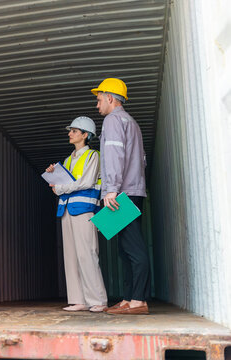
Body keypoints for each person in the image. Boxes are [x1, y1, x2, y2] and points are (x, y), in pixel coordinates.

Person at [91, 78, 150, 315]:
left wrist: (112, 189)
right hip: (132, 190)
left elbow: (114, 155)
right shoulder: (131, 122)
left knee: (133, 248)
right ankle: (128, 298)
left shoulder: (113, 120)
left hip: (122, 193)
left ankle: (138, 300)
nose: (97, 105)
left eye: (98, 100)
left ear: (110, 98)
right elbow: (141, 160)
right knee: (125, 249)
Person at [46, 116, 108, 313]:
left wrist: (61, 188)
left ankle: (97, 300)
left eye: (74, 130)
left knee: (87, 254)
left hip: (84, 210)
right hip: (66, 209)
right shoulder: (66, 159)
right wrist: (53, 174)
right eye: (70, 130)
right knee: (71, 256)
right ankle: (78, 300)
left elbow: (87, 182)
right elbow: (63, 183)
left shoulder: (93, 156)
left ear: (85, 135)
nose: (70, 133)